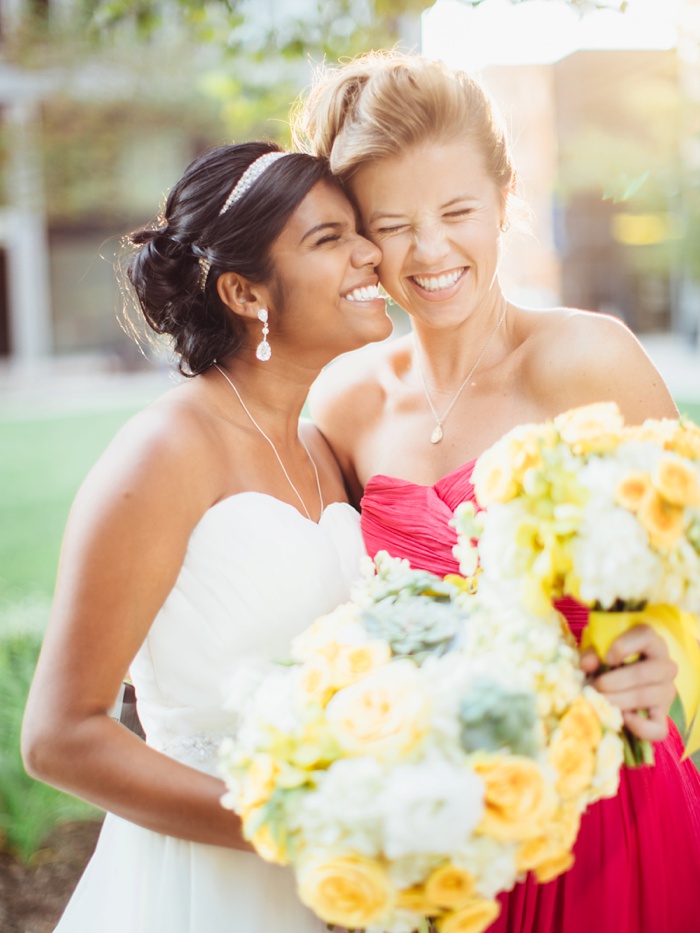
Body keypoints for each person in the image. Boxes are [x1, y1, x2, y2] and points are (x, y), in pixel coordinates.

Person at [294, 51, 700, 931]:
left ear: (507, 197)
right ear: (359, 237)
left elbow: (691, 567)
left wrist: (664, 657)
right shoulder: (342, 403)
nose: (430, 250)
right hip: (436, 837)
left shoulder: (593, 360)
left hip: (607, 810)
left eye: (457, 212)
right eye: (393, 223)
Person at [21, 141, 392, 933]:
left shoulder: (321, 448)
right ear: (244, 292)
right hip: (203, 888)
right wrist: (300, 827)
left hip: (335, 892)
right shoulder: (164, 453)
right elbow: (59, 736)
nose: (372, 252)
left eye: (359, 230)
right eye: (329, 238)